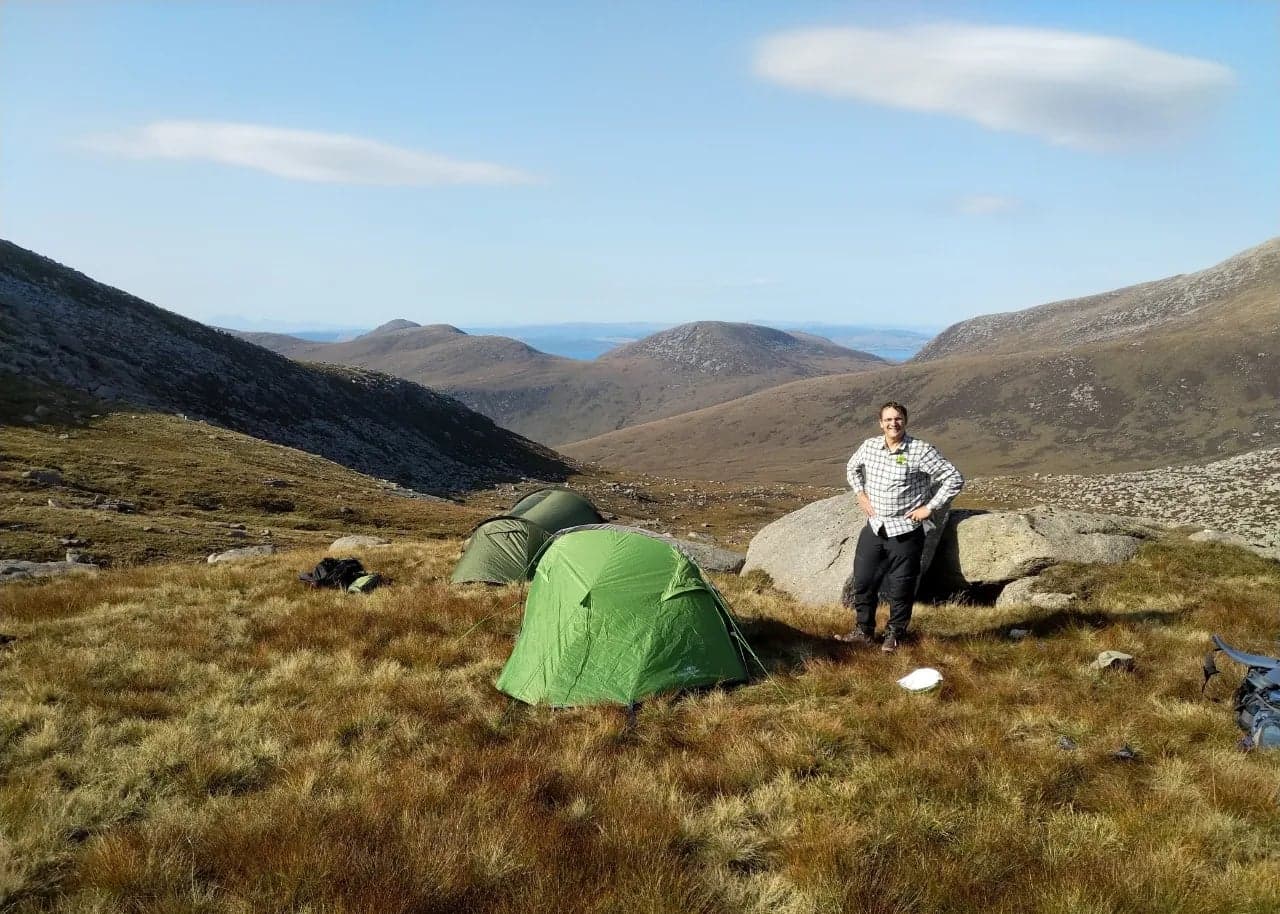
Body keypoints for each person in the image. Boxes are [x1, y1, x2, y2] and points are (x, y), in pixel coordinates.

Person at [837, 401, 963, 653]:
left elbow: (954, 478)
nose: (893, 423)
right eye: (888, 419)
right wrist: (860, 493)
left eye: (898, 419)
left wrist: (930, 508)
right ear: (880, 423)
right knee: (863, 581)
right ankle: (863, 631)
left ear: (905, 421)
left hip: (905, 531)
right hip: (875, 527)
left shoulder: (921, 450)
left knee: (901, 587)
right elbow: (852, 467)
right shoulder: (870, 446)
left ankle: (895, 634)